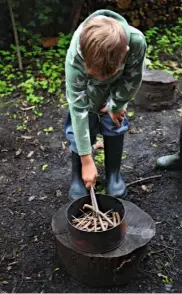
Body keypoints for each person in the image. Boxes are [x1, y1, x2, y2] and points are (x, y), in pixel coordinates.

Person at [64, 9, 147, 200]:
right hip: (88, 93)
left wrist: (117, 104)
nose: (101, 78)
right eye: (95, 73)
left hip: (116, 89)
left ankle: (113, 175)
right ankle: (78, 175)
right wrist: (87, 159)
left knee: (115, 124)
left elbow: (133, 78)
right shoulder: (77, 52)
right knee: (82, 125)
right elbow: (77, 107)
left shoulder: (135, 43)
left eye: (106, 74)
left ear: (124, 53)